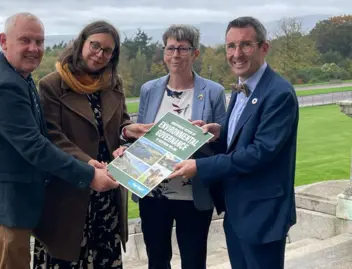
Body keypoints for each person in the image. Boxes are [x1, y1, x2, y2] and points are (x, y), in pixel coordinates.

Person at [0, 13, 119, 269]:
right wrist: (89, 174)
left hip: (11, 201)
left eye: (39, 42)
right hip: (3, 205)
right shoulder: (5, 85)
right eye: (25, 40)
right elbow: (36, 146)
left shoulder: (18, 76)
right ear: (4, 41)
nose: (34, 49)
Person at [169, 16, 299, 269]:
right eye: (231, 46)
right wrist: (220, 131)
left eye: (245, 45)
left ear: (264, 48)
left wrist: (200, 167)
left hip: (262, 214)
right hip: (237, 211)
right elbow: (243, 135)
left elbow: (260, 152)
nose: (236, 54)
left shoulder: (279, 93)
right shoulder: (243, 85)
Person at [32, 20, 153, 269]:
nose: (100, 55)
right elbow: (52, 136)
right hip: (69, 192)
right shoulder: (52, 85)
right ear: (81, 44)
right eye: (95, 46)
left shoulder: (113, 83)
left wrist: (129, 130)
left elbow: (118, 123)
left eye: (107, 51)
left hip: (107, 194)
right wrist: (88, 165)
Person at [123, 24, 227, 269]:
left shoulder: (213, 92)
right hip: (153, 191)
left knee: (193, 261)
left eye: (183, 48)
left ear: (195, 54)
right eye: (170, 48)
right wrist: (127, 149)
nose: (176, 55)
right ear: (163, 52)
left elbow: (225, 142)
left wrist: (212, 136)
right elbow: (144, 136)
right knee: (157, 260)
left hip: (194, 193)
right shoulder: (149, 89)